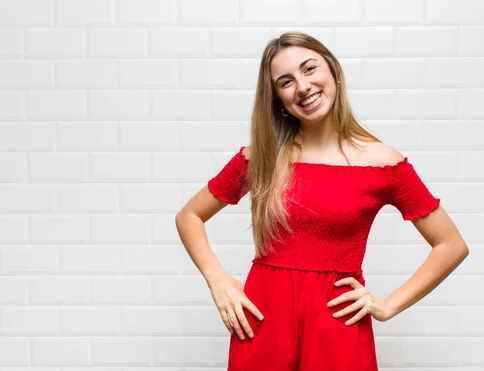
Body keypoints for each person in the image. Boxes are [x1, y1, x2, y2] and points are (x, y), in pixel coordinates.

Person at [175, 31, 469, 371]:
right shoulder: (262, 157)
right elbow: (189, 215)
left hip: (337, 318)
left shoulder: (382, 163)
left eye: (309, 68)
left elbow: (450, 244)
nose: (302, 86)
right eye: (286, 81)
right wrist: (218, 280)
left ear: (333, 71)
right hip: (264, 317)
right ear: (278, 99)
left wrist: (388, 305)